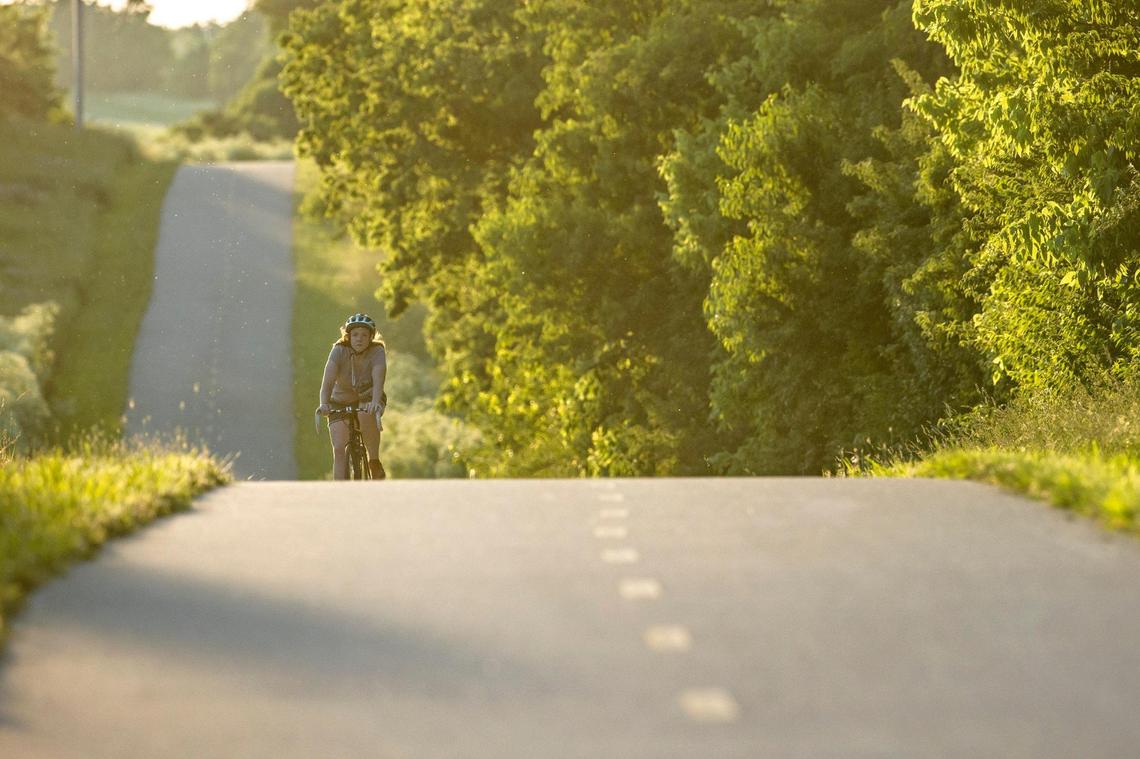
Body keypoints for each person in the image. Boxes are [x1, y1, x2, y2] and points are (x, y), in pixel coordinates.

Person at [316, 313, 387, 479]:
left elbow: (378, 381)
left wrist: (375, 403)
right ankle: (340, 490)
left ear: (371, 337)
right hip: (340, 400)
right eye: (355, 335)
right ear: (348, 336)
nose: (359, 339)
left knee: (365, 413)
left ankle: (374, 461)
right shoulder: (338, 350)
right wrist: (324, 404)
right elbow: (327, 383)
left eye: (364, 335)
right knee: (339, 448)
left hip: (368, 397)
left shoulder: (377, 351)